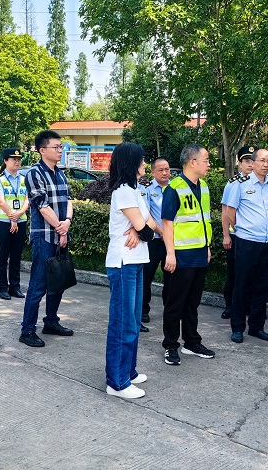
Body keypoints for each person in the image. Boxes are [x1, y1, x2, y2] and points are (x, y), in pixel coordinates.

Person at [104, 143, 158, 399]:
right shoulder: (124, 191)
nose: (145, 164)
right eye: (142, 160)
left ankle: (128, 370)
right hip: (123, 262)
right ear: (131, 163)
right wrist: (142, 230)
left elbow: (151, 224)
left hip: (136, 261)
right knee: (123, 323)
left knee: (134, 322)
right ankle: (117, 382)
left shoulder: (135, 190)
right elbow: (146, 228)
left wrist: (142, 230)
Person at [160, 144, 215, 365]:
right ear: (193, 162)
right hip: (181, 256)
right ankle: (170, 345)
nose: (209, 164)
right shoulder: (174, 187)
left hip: (200, 254)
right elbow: (167, 223)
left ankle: (192, 342)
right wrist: (170, 254)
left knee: (193, 303)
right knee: (175, 303)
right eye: (206, 160)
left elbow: (203, 221)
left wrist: (207, 247)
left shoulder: (204, 187)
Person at [19, 130, 74, 348]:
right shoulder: (34, 174)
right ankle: (27, 330)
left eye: (61, 147)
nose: (60, 150)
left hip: (61, 233)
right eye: (56, 147)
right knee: (39, 284)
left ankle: (51, 321)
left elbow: (69, 200)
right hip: (44, 236)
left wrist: (67, 222)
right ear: (42, 150)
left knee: (58, 281)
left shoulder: (61, 173)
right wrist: (61, 229)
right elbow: (41, 206)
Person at [225, 148, 268, 343]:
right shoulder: (240, 185)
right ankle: (238, 327)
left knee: (262, 285)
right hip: (247, 242)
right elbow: (230, 213)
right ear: (254, 162)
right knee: (242, 285)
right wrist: (241, 229)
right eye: (261, 160)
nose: (266, 164)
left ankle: (257, 327)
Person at [220, 145, 256, 320]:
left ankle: (247, 305)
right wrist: (226, 235)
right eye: (247, 161)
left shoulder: (262, 183)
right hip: (235, 236)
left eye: (253, 161)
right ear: (240, 163)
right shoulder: (233, 183)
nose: (250, 164)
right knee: (234, 272)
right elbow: (225, 211)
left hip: (254, 237)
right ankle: (230, 305)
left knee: (250, 273)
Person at [0, 148, 29, 300]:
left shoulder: (23, 179)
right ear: (5, 161)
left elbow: (27, 200)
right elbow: (1, 201)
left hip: (21, 221)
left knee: (16, 257)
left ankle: (15, 287)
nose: (17, 161)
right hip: (3, 223)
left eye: (19, 159)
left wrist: (18, 215)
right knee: (2, 257)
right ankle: (2, 288)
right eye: (14, 159)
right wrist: (13, 218)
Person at [140, 157, 171, 331]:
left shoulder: (175, 188)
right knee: (147, 276)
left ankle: (170, 308)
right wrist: (162, 232)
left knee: (171, 277)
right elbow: (147, 215)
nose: (165, 173)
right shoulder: (146, 190)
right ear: (152, 172)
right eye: (161, 170)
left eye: (167, 169)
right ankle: (143, 310)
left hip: (171, 242)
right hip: (154, 240)